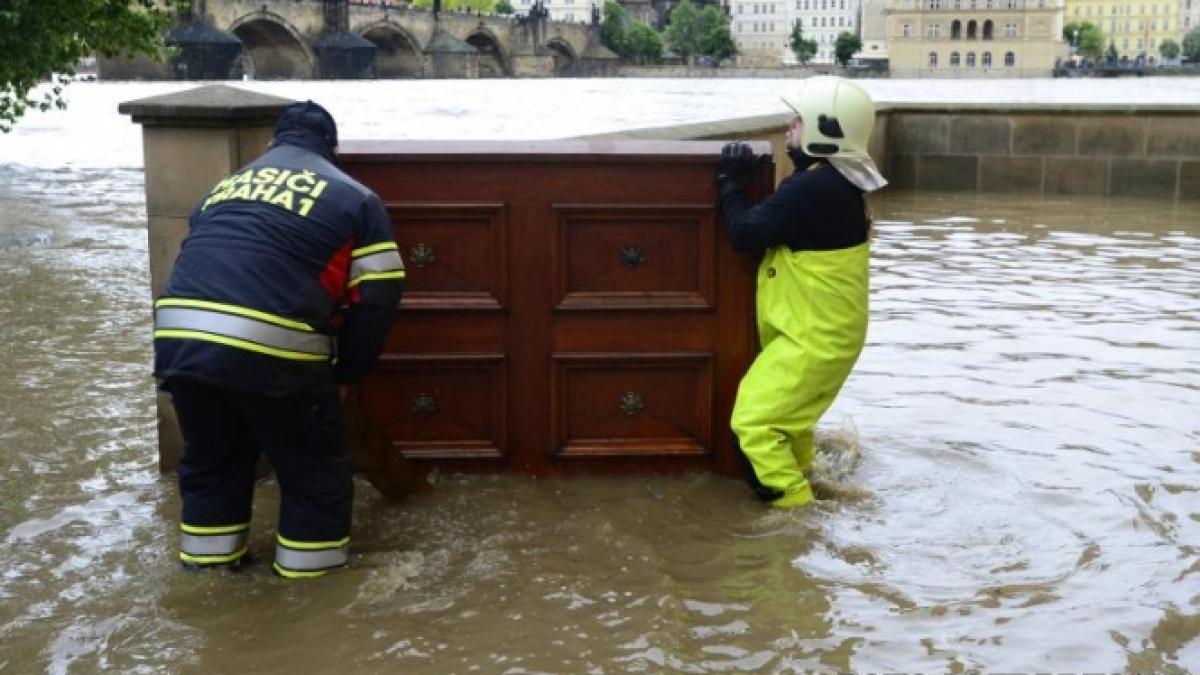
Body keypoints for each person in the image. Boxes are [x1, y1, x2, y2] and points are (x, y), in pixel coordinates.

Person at [153, 101, 405, 578]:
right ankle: (308, 598)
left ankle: (210, 585)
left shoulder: (218, 190)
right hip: (272, 349)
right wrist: (346, 372)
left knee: (212, 466)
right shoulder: (355, 198)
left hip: (180, 342)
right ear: (333, 149)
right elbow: (379, 297)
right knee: (314, 474)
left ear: (272, 142)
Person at [715, 76, 886, 509]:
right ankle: (811, 485)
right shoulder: (838, 181)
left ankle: (795, 521)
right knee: (789, 424)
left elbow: (745, 232)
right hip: (824, 334)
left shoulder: (814, 188)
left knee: (754, 423)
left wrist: (729, 181)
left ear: (825, 130)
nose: (789, 126)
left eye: (799, 120)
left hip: (812, 339)